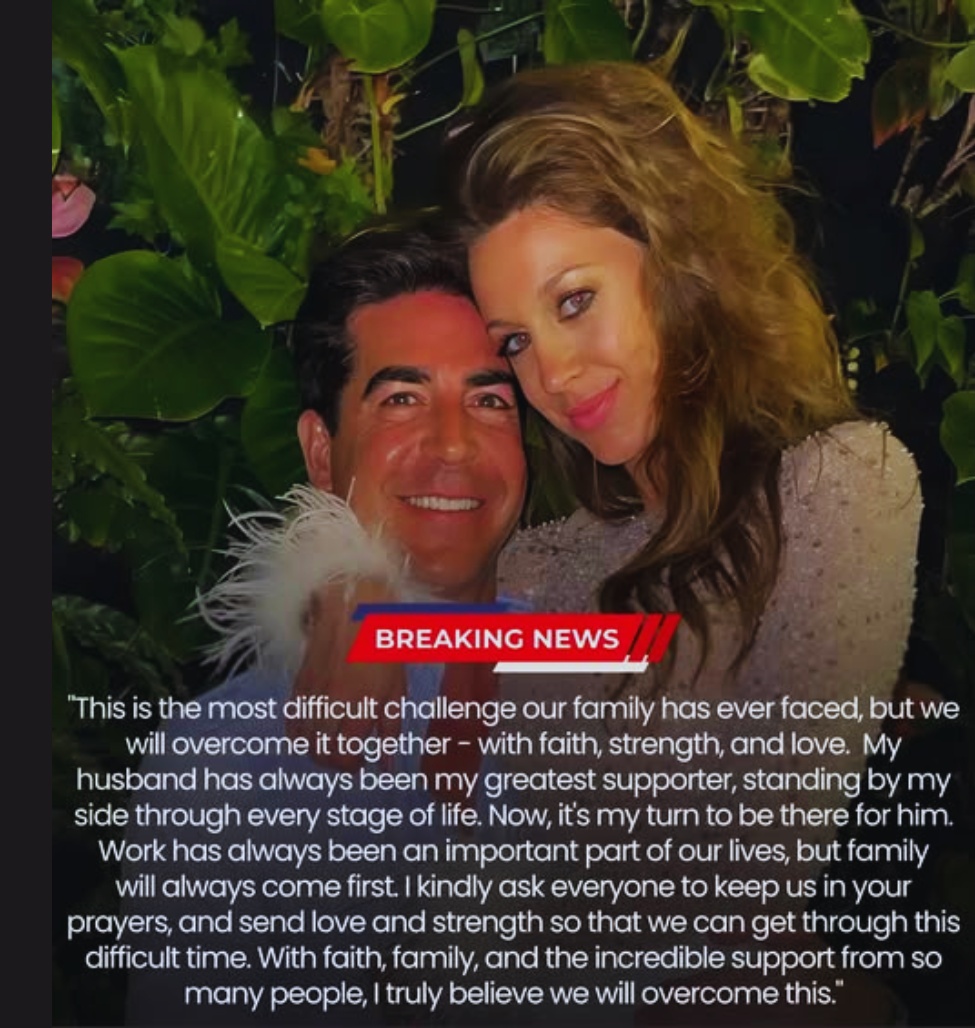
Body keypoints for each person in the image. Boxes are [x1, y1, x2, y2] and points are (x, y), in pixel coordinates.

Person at [437, 61, 923, 1024]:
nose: (553, 375)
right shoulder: (537, 567)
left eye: (573, 301)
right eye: (516, 342)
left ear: (674, 259)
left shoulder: (841, 485)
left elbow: (747, 874)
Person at [119, 224, 527, 1026]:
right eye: (402, 399)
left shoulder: (615, 666)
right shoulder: (225, 757)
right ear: (319, 450)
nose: (454, 444)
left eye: (490, 400)